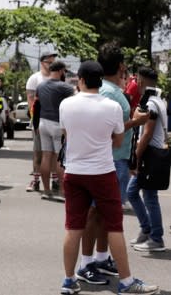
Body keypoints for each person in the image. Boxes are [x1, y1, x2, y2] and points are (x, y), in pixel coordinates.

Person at [59, 60, 159, 295]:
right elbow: (117, 141)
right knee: (114, 226)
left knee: (73, 227)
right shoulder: (112, 106)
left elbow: (67, 135)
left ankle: (68, 280)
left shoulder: (66, 104)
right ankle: (126, 282)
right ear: (100, 79)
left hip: (74, 172)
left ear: (81, 80)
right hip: (102, 172)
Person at [75, 43, 150, 286]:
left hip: (114, 158)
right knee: (96, 213)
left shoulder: (109, 90)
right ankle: (86, 263)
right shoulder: (109, 93)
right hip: (108, 158)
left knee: (104, 214)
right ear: (120, 66)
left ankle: (100, 257)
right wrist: (135, 122)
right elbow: (105, 131)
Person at [127, 67, 166, 252]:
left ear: (140, 82)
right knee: (134, 192)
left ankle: (156, 237)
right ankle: (147, 230)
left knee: (149, 196)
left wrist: (136, 156)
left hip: (151, 155)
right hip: (153, 154)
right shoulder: (159, 100)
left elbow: (148, 133)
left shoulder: (151, 104)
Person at [35, 61, 74, 199]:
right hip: (58, 124)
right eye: (64, 71)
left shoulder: (40, 86)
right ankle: (63, 192)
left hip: (43, 123)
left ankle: (46, 190)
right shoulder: (65, 87)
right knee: (60, 158)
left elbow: (37, 104)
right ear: (61, 70)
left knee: (46, 156)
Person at [25, 50, 58, 192]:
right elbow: (31, 102)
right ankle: (35, 180)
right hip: (40, 120)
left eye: (53, 63)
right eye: (48, 62)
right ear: (41, 62)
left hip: (56, 121)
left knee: (55, 152)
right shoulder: (35, 78)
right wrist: (36, 121)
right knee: (39, 152)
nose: (51, 65)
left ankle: (55, 179)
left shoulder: (56, 78)